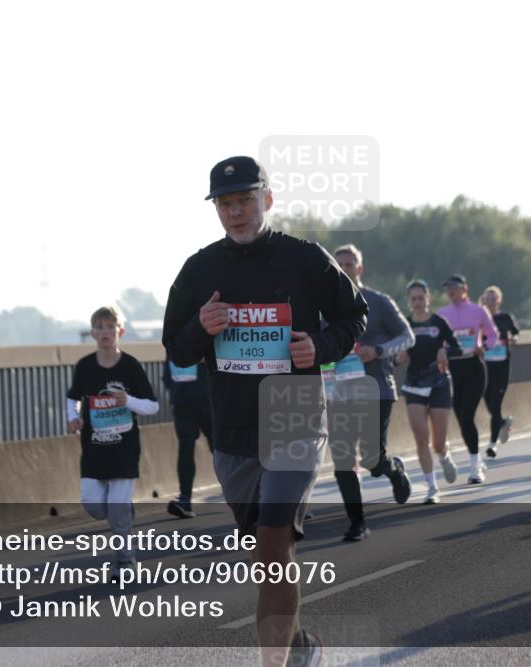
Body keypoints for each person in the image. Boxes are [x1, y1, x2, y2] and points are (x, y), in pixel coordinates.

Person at [162, 156, 367, 666]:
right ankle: (299, 647)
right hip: (232, 430)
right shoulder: (199, 269)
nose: (236, 213)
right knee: (265, 558)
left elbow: (353, 315)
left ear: (267, 200)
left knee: (275, 541)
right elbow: (177, 349)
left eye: (245, 201)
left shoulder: (306, 259)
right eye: (225, 204)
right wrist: (200, 327)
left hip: (295, 416)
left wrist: (319, 346)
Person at [329, 244, 414, 538]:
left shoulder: (378, 301)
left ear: (359, 268)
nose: (343, 269)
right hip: (339, 393)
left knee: (371, 459)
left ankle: (393, 470)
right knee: (342, 458)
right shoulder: (324, 306)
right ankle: (357, 523)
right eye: (338, 264)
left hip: (377, 389)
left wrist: (377, 350)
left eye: (349, 264)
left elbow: (408, 337)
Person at [67, 306, 159, 575]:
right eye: (100, 327)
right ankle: (121, 512)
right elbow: (73, 397)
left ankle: (125, 559)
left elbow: (152, 406)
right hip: (94, 449)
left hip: (124, 448)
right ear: (93, 332)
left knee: (117, 508)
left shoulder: (130, 366)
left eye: (111, 327)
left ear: (120, 332)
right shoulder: (85, 366)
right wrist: (72, 417)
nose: (106, 332)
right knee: (94, 505)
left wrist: (127, 400)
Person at [397, 279, 462, 503]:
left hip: (439, 384)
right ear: (409, 301)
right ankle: (432, 487)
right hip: (414, 384)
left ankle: (444, 455)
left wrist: (445, 350)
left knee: (438, 442)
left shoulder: (439, 323)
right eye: (413, 299)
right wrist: (399, 357)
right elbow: (396, 355)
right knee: (421, 438)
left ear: (428, 299)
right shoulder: (405, 325)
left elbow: (457, 347)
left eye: (421, 298)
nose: (417, 302)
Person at [436, 274, 499, 483]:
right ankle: (477, 460)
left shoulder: (478, 310)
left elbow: (493, 334)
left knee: (466, 416)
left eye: (455, 287)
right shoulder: (441, 314)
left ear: (465, 289)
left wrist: (485, 347)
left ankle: (475, 467)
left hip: (474, 367)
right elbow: (435, 341)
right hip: (453, 370)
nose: (451, 291)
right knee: (463, 420)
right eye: (448, 288)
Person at [162, 355, 212, 518]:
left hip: (209, 400)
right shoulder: (173, 331)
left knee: (220, 448)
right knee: (185, 447)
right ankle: (185, 500)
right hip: (182, 402)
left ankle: (245, 497)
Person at [480, 285, 520, 458]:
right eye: (488, 298)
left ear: (499, 300)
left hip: (502, 365)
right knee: (489, 401)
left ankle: (492, 444)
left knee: (496, 404)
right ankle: (503, 422)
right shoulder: (480, 318)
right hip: (485, 365)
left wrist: (514, 339)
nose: (491, 301)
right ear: (483, 300)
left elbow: (516, 333)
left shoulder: (505, 318)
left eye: (494, 298)